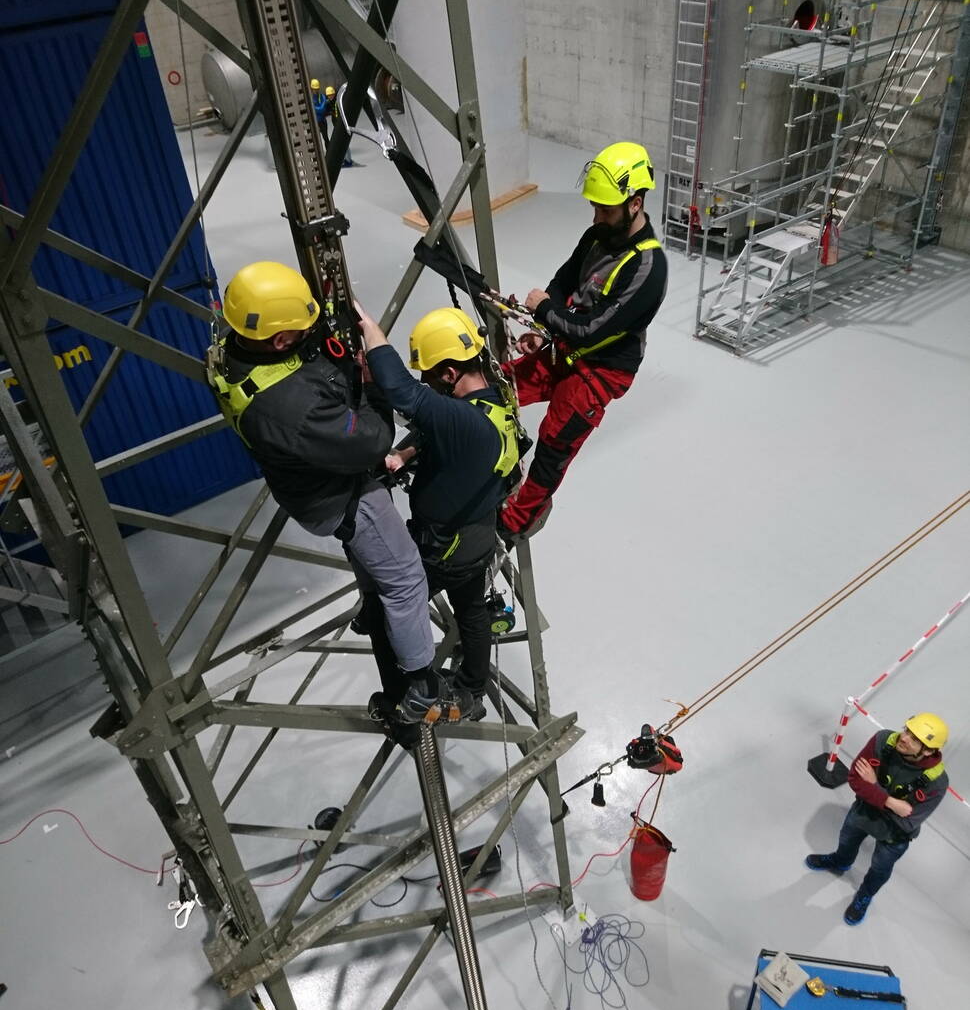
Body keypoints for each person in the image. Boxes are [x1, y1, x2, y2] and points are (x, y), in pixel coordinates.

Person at [205, 260, 472, 726]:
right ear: (281, 339)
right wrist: (372, 388)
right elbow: (370, 442)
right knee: (406, 577)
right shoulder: (291, 408)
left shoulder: (234, 351)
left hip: (304, 480)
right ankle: (422, 686)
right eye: (301, 328)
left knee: (381, 571)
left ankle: (374, 608)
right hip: (341, 495)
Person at [355, 303, 523, 724]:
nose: (426, 382)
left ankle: (411, 696)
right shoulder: (493, 397)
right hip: (478, 534)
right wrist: (407, 452)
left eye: (430, 375)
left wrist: (372, 334)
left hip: (445, 547)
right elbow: (438, 428)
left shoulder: (463, 421)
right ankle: (471, 691)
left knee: (391, 607)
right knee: (471, 612)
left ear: (449, 373)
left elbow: (404, 394)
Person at [499, 141, 668, 541]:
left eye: (605, 209)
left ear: (635, 203)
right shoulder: (597, 236)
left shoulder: (648, 267)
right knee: (498, 388)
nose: (596, 216)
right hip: (565, 349)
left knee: (553, 446)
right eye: (594, 206)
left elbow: (594, 329)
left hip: (599, 373)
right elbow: (561, 282)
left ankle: (516, 523)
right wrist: (547, 328)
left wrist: (545, 314)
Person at [806, 713, 950, 925]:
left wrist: (872, 786)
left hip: (895, 836)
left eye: (914, 739)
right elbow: (855, 779)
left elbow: (907, 822)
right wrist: (892, 802)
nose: (904, 738)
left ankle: (865, 894)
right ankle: (841, 861)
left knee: (880, 869)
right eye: (907, 730)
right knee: (846, 841)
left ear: (928, 750)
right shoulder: (884, 741)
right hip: (864, 812)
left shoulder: (937, 782)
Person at [309, 79, 332, 146]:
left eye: (317, 89)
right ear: (311, 88)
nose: (316, 90)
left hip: (322, 121)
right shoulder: (310, 98)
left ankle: (329, 154)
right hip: (314, 122)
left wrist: (314, 108)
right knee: (313, 140)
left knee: (326, 138)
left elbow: (322, 110)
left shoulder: (322, 97)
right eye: (314, 89)